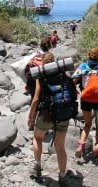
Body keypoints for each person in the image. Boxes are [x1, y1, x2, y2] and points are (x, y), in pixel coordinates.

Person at [27, 52, 75, 184]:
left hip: (47, 116)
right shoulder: (63, 74)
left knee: (37, 138)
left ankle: (37, 167)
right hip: (63, 114)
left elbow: (36, 98)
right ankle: (63, 175)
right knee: (60, 146)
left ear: (43, 63)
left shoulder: (41, 76)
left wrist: (31, 116)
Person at [71, 48, 98, 158]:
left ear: (89, 56)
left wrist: (78, 91)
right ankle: (97, 149)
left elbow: (73, 82)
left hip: (85, 99)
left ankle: (80, 146)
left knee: (87, 124)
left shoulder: (82, 67)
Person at [25, 37, 52, 101]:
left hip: (34, 84)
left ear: (40, 46)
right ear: (49, 47)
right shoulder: (51, 57)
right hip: (47, 84)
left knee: (34, 98)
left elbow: (27, 69)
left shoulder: (35, 57)